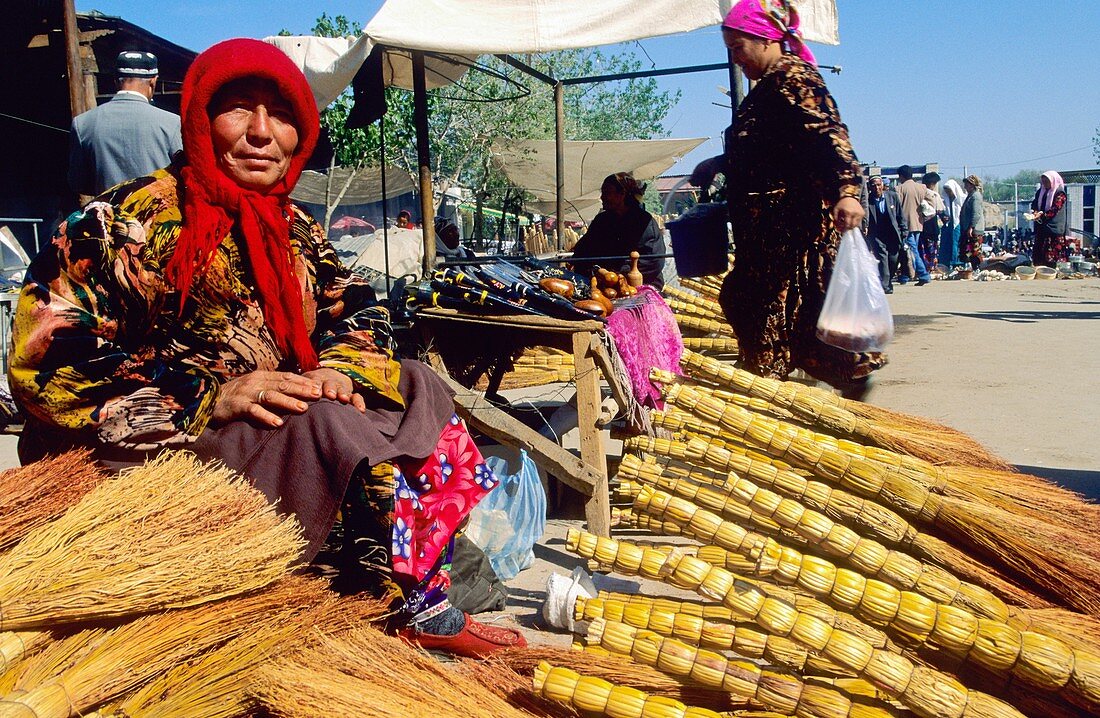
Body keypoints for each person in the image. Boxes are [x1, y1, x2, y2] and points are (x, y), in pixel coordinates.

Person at [10, 39, 523, 658]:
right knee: (330, 427)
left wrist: (341, 365)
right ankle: (401, 595)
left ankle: (415, 567)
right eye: (238, 109)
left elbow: (355, 312)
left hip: (274, 417)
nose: (260, 133)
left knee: (417, 382)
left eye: (281, 116)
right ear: (200, 119)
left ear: (301, 134)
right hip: (160, 443)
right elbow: (47, 356)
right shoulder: (121, 222)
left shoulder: (295, 228)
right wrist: (208, 395)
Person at [689, 0, 883, 398]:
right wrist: (719, 162)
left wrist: (847, 191)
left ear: (764, 38)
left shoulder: (794, 76)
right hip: (768, 237)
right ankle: (785, 383)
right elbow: (770, 150)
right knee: (758, 306)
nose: (736, 58)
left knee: (780, 310)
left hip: (793, 233)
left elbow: (829, 134)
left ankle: (832, 385)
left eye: (739, 47)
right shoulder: (767, 88)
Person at [67, 51, 183, 204]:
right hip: (156, 224)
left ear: (116, 81)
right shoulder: (172, 123)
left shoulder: (83, 123)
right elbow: (186, 176)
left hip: (108, 223)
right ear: (153, 81)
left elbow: (78, 183)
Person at [569, 172, 666, 290]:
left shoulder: (644, 222)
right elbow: (584, 250)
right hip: (603, 283)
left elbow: (653, 262)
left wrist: (616, 275)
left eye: (607, 193)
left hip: (642, 285)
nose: (602, 197)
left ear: (622, 194)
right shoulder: (602, 220)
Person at [865, 175, 907, 294]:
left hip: (892, 234)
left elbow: (900, 215)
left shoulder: (892, 197)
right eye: (873, 185)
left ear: (883, 186)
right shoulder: (868, 201)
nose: (876, 188)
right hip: (877, 235)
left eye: (878, 185)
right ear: (870, 187)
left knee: (893, 259)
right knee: (882, 258)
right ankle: (884, 285)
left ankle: (888, 282)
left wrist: (904, 231)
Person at [893, 165, 931, 286]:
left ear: (901, 176)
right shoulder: (922, 188)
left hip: (905, 225)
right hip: (918, 224)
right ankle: (905, 275)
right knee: (907, 251)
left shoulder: (899, 189)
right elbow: (933, 202)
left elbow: (896, 208)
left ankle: (923, 274)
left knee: (911, 251)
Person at [1030, 170, 1069, 268]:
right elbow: (1035, 203)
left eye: (1047, 181)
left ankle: (1052, 270)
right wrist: (1035, 211)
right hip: (1041, 227)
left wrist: (1042, 215)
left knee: (1052, 253)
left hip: (1054, 228)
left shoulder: (1059, 193)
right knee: (1039, 250)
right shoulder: (1041, 192)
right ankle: (1039, 268)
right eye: (1043, 182)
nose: (1045, 184)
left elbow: (1055, 208)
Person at [918, 172, 945, 274]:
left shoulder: (920, 193)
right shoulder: (933, 195)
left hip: (922, 225)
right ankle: (931, 267)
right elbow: (940, 210)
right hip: (931, 226)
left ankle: (926, 268)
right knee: (932, 248)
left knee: (924, 248)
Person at [959, 175, 986, 271]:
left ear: (972, 185)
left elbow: (976, 214)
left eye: (966, 184)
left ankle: (979, 268)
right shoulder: (970, 196)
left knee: (975, 250)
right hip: (969, 228)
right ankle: (974, 268)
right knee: (969, 250)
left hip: (975, 229)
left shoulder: (976, 196)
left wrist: (971, 227)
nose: (965, 186)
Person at [938, 178, 966, 268]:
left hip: (958, 226)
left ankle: (956, 264)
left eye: (949, 191)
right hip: (947, 226)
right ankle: (944, 265)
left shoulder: (962, 199)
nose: (948, 193)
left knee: (956, 245)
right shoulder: (945, 200)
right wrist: (943, 216)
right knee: (946, 246)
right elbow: (941, 211)